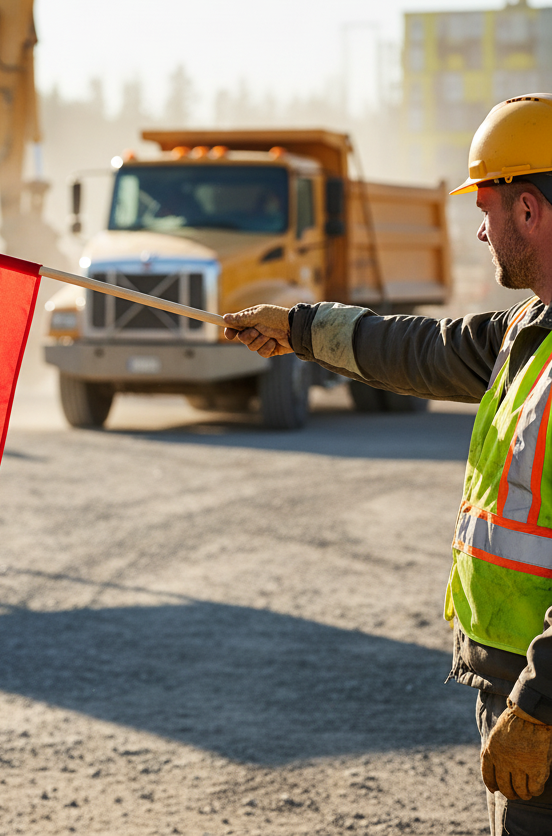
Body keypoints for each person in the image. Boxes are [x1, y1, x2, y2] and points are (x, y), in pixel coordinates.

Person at [224, 93, 552, 835]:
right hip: (515, 682)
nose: (479, 227)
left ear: (528, 210)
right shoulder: (528, 329)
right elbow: (418, 348)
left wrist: (539, 706)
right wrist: (301, 327)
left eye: (489, 207)